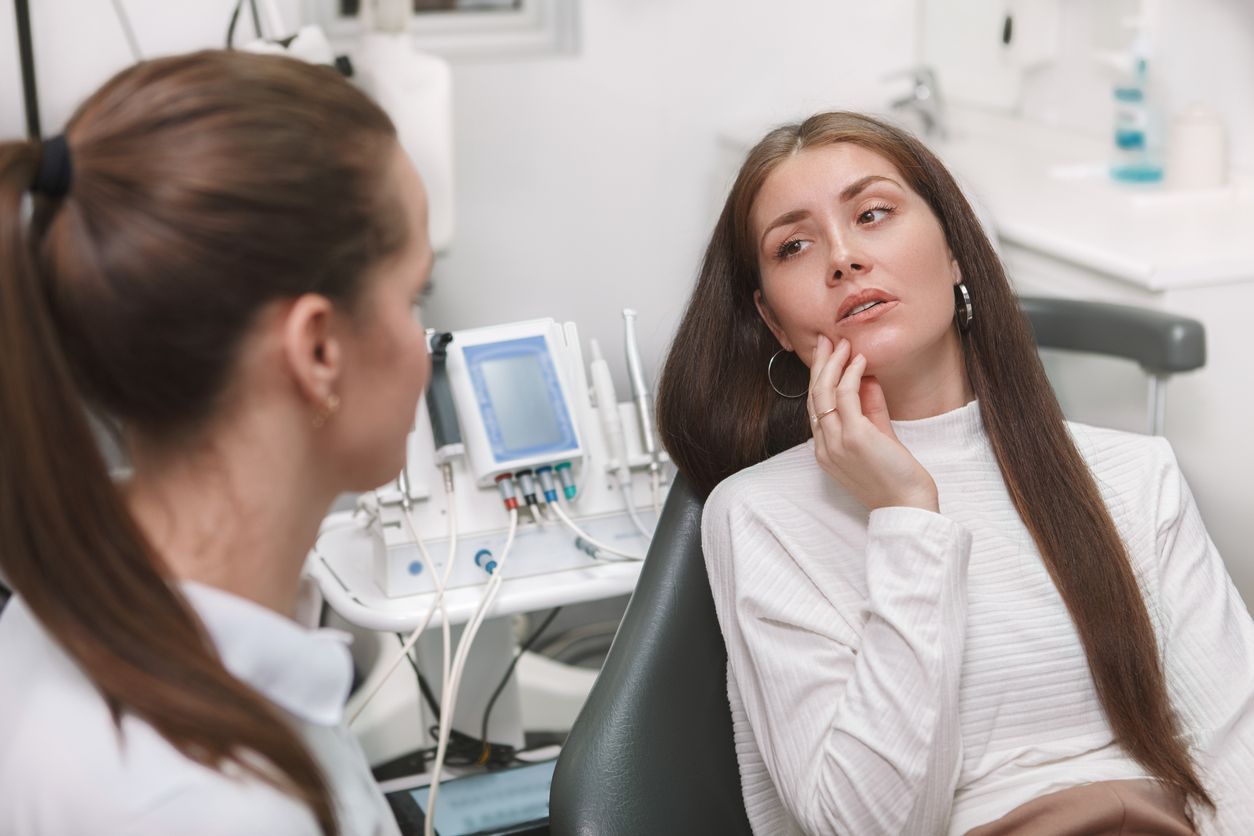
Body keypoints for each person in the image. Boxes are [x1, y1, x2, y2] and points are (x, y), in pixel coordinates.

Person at [655, 112, 1254, 835]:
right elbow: (870, 827)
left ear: (955, 250)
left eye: (872, 214)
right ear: (776, 323)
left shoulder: (1135, 476)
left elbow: (1236, 771)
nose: (843, 258)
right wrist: (906, 514)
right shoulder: (756, 517)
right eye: (795, 246)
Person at [0, 50, 434, 835]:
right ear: (318, 350)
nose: (424, 347)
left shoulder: (60, 606)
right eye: (414, 297)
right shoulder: (210, 808)